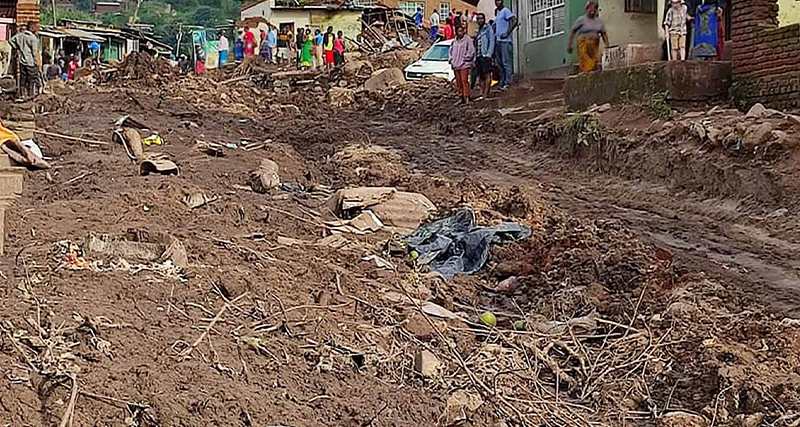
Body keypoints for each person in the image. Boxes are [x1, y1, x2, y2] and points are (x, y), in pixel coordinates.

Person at [567, 1, 608, 73]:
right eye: (590, 9)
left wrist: (607, 45)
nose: (593, 11)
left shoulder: (599, 21)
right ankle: (586, 75)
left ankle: (592, 78)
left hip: (594, 45)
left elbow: (603, 33)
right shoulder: (581, 20)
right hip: (583, 43)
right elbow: (573, 31)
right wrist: (569, 44)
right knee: (586, 61)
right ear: (587, 9)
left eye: (595, 9)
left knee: (596, 61)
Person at [9, 21, 40, 98]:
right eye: (36, 28)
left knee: (23, 79)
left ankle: (22, 95)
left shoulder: (19, 36)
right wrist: (37, 63)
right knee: (31, 80)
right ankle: (30, 95)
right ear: (32, 28)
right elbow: (34, 53)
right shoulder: (33, 38)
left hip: (22, 62)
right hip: (31, 63)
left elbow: (10, 41)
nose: (37, 30)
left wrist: (17, 47)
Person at [494, 0, 517, 89]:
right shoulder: (497, 12)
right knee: (499, 63)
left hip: (505, 41)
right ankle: (502, 81)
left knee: (506, 62)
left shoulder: (506, 11)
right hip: (498, 40)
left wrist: (507, 33)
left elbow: (514, 20)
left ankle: (508, 81)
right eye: (496, 1)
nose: (497, 2)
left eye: (499, 0)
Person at [449, 24, 474, 104]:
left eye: (461, 31)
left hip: (464, 64)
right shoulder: (454, 41)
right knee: (458, 82)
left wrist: (465, 59)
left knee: (464, 81)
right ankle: (461, 96)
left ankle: (467, 96)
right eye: (458, 31)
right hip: (456, 64)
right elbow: (450, 52)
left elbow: (471, 51)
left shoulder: (468, 40)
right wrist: (451, 60)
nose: (460, 32)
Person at [473, 13, 495, 99]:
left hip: (485, 54)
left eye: (481, 18)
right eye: (478, 19)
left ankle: (486, 93)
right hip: (478, 55)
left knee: (487, 74)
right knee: (481, 76)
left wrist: (489, 54)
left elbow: (492, 41)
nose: (479, 20)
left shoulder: (488, 28)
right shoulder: (478, 31)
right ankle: (482, 93)